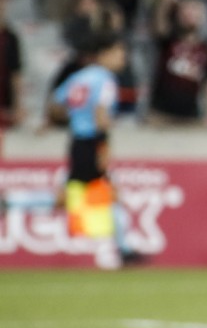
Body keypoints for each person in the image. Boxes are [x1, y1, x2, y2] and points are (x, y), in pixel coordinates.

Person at [46, 31, 140, 269]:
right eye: (119, 53)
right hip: (91, 143)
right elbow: (101, 115)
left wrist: (75, 118)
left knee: (76, 198)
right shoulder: (105, 79)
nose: (123, 58)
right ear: (104, 54)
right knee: (106, 196)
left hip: (77, 142)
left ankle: (123, 249)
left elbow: (55, 106)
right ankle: (121, 251)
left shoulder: (79, 77)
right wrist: (103, 147)